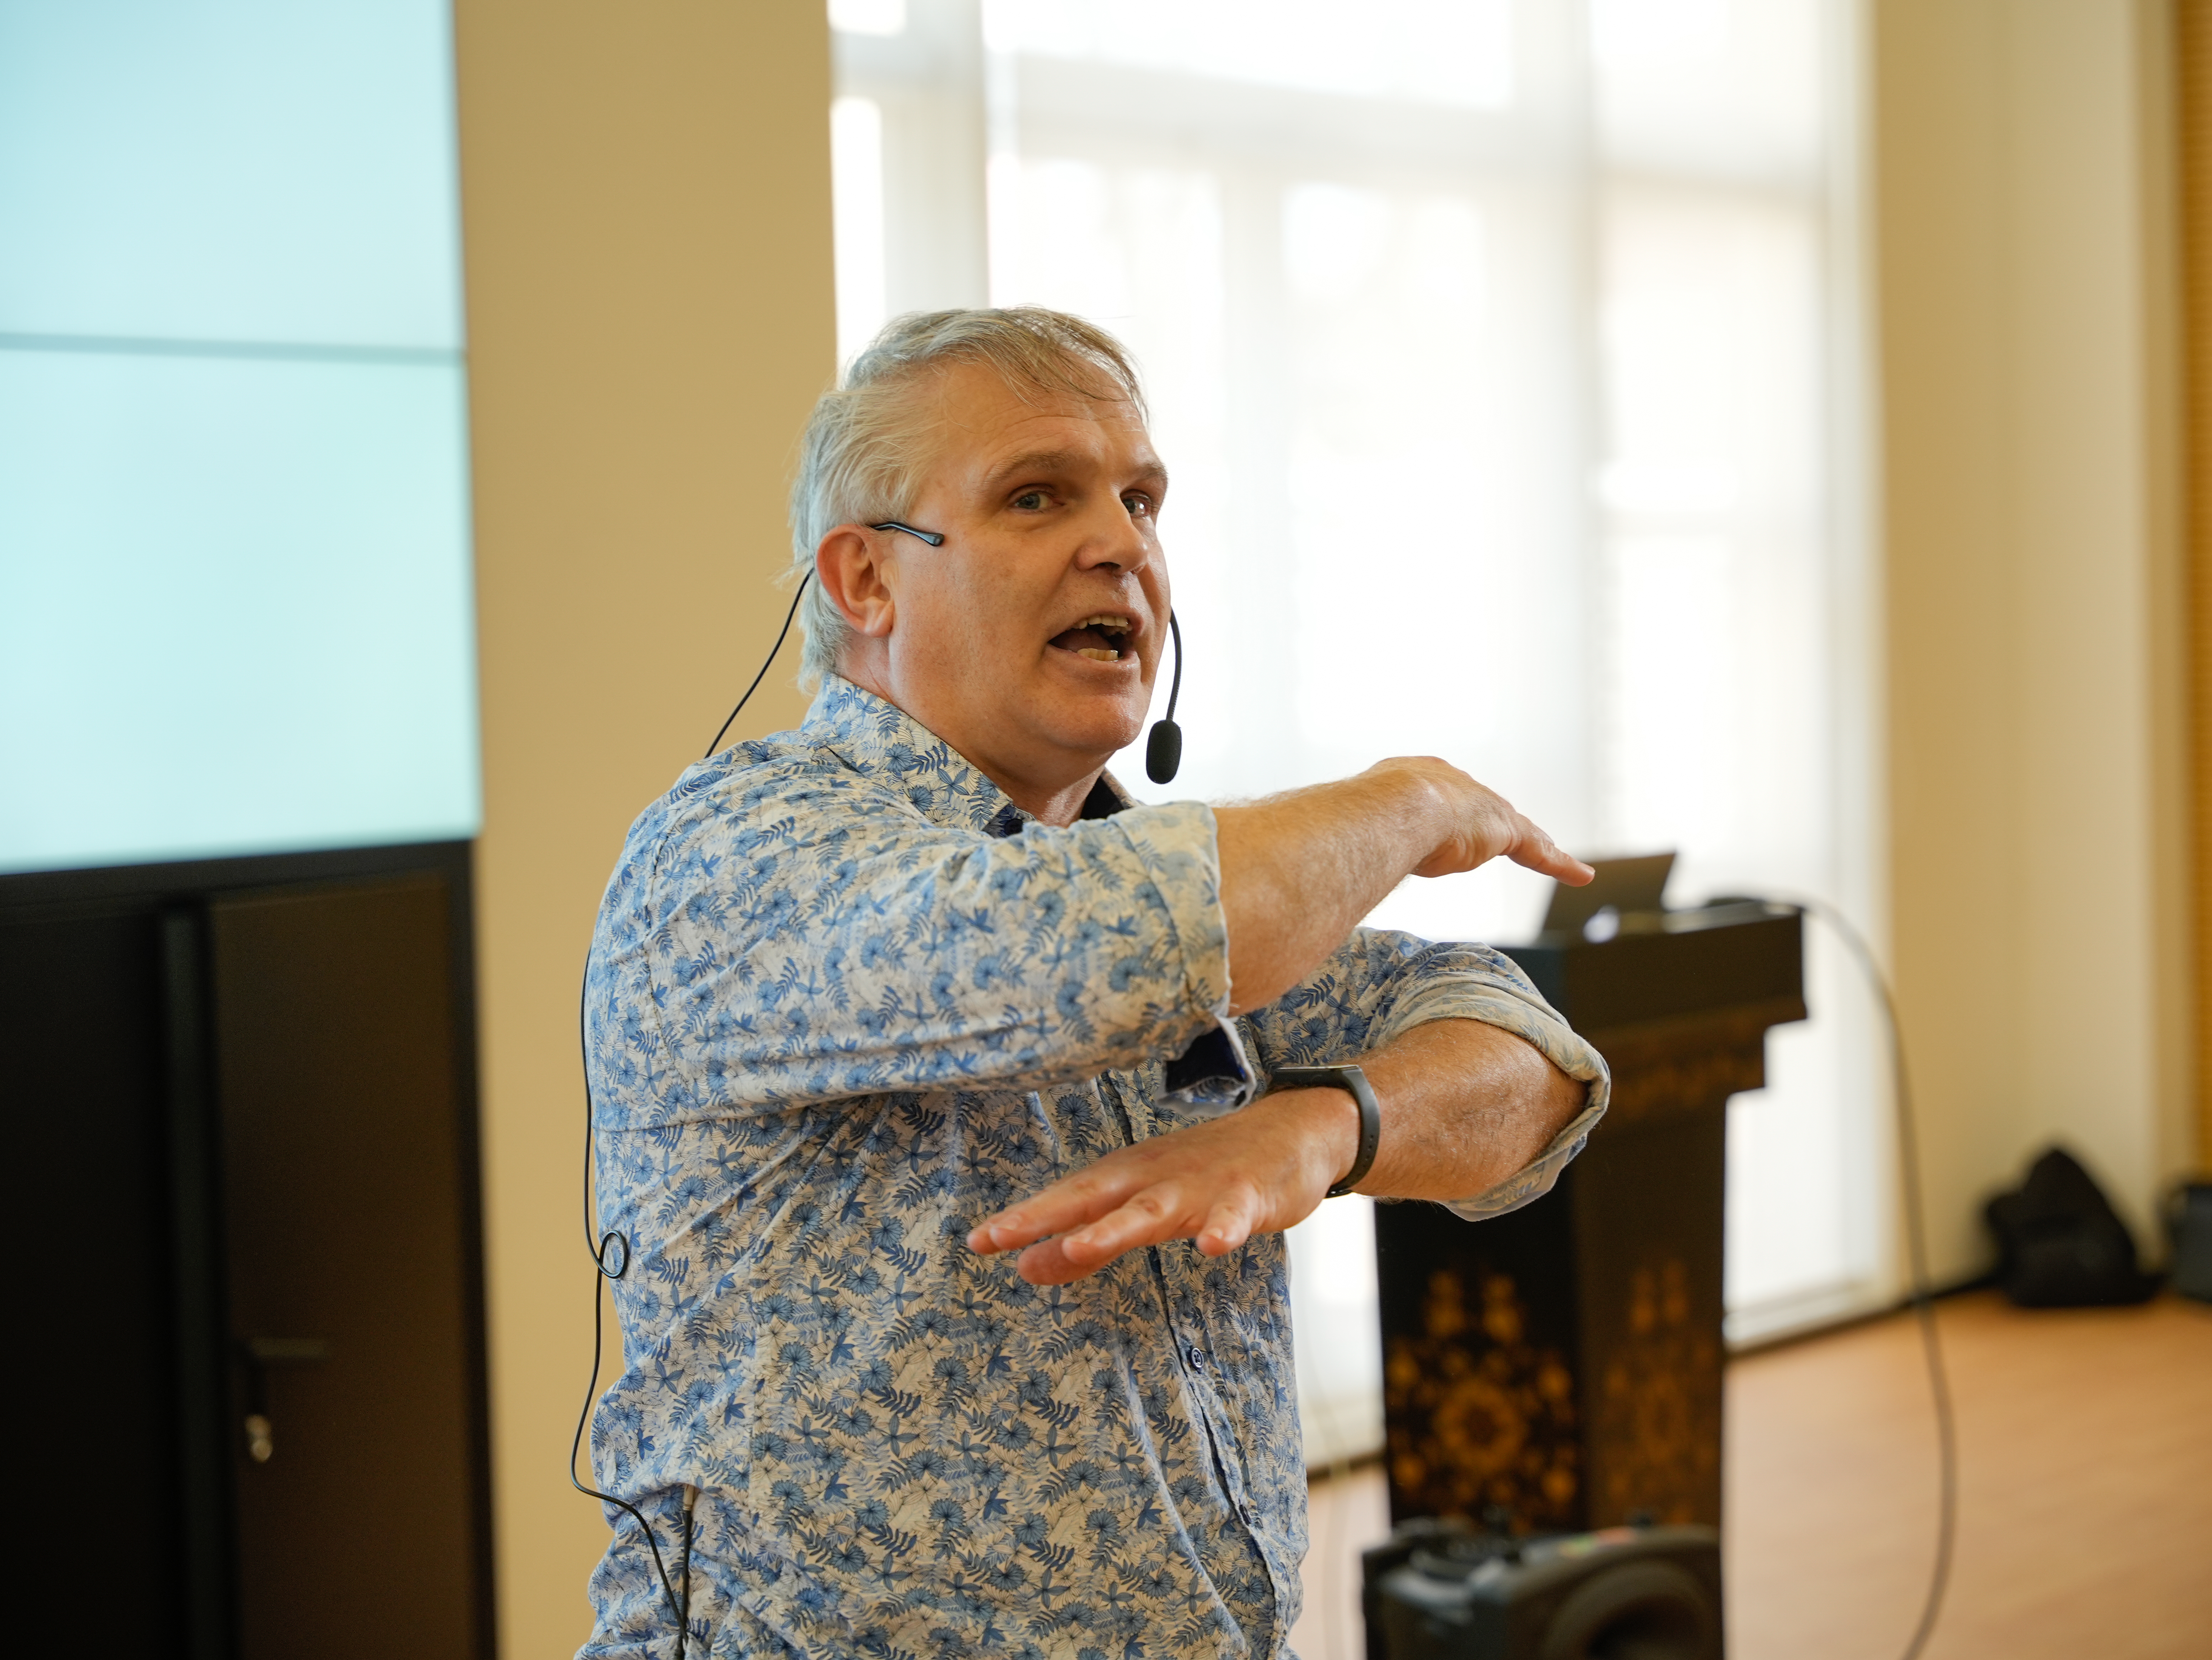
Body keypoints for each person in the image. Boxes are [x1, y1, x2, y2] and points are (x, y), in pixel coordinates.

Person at [580, 307, 1610, 1659]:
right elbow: (1101, 948)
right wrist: (1407, 799)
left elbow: (1529, 1060)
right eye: (1036, 495)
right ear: (867, 581)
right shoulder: (732, 855)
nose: (1122, 542)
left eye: (1141, 497)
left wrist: (1319, 1128)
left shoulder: (1164, 887)